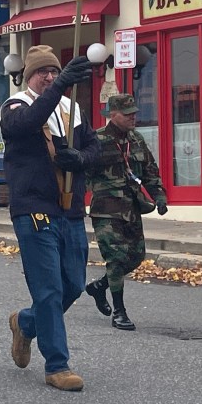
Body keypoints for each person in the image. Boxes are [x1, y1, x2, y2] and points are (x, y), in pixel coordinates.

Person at [0, 45, 97, 391]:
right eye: (43, 72)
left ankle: (25, 323)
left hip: (69, 210)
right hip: (34, 209)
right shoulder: (15, 106)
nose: (50, 77)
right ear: (29, 77)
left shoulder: (73, 110)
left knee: (73, 284)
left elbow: (95, 149)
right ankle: (57, 365)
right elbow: (26, 124)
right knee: (49, 289)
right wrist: (58, 89)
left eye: (55, 72)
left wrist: (79, 159)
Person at [84, 93, 167, 331]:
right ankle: (119, 313)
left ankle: (99, 287)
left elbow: (150, 170)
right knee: (117, 259)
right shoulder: (96, 140)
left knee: (136, 257)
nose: (133, 117)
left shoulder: (137, 139)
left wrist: (159, 196)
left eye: (134, 113)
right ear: (113, 114)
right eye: (127, 114)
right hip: (106, 210)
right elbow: (81, 171)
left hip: (131, 207)